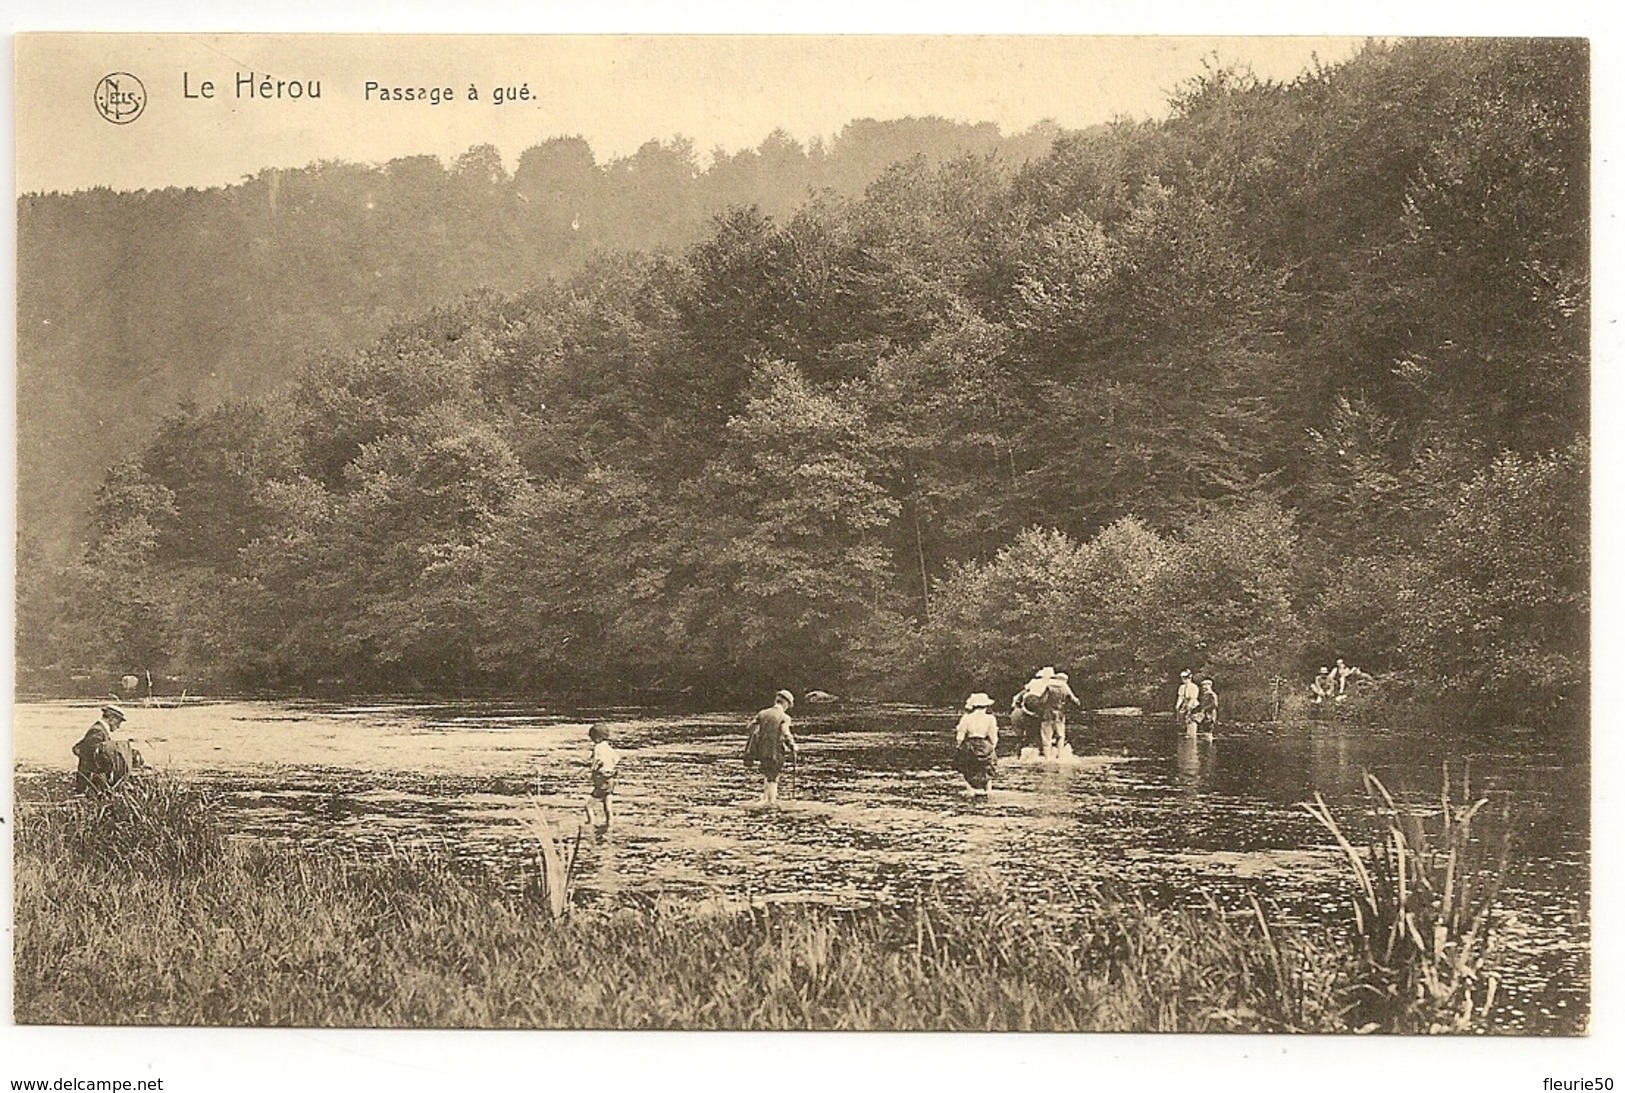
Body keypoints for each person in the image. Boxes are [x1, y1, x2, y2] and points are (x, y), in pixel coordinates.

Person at [743, 689, 798, 807]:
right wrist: (793, 746)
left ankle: (765, 798)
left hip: (762, 750)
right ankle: (771, 801)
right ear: (785, 703)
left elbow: (750, 727)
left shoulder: (762, 713)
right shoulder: (785, 717)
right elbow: (785, 733)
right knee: (774, 777)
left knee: (767, 774)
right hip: (775, 751)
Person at [72, 703, 132, 795]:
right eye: (118, 722)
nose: (119, 726)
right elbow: (90, 755)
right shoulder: (98, 731)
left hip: (89, 780)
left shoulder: (99, 730)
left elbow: (78, 748)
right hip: (89, 783)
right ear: (112, 718)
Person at [953, 692, 1000, 796]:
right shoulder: (990, 718)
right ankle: (988, 790)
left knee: (967, 767)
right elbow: (993, 736)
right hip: (984, 744)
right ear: (986, 706)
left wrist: (959, 746)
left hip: (969, 744)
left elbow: (960, 735)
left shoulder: (966, 717)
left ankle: (970, 790)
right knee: (988, 766)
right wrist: (992, 747)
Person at [586, 724, 619, 835]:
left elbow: (598, 761)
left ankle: (591, 823)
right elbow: (616, 759)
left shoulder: (598, 747)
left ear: (597, 738)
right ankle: (610, 825)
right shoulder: (608, 748)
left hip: (602, 780)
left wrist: (592, 769)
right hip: (611, 780)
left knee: (588, 806)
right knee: (607, 804)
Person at [1040, 671, 1082, 758]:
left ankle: (1048, 758)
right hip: (1060, 715)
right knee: (1060, 736)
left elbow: (1042, 701)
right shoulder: (1065, 688)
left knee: (1047, 738)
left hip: (1047, 715)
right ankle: (1060, 756)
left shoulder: (1049, 688)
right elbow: (1075, 701)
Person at [1175, 670, 1200, 735]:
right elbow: (1180, 697)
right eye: (1183, 678)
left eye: (1186, 678)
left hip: (1193, 705)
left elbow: (1193, 698)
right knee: (1181, 717)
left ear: (1190, 678)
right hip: (1185, 704)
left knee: (1191, 719)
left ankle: (1191, 734)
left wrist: (1189, 707)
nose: (1184, 680)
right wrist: (1178, 705)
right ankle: (1184, 732)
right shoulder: (1182, 687)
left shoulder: (1194, 687)